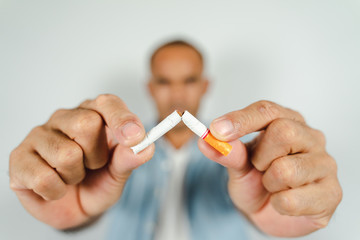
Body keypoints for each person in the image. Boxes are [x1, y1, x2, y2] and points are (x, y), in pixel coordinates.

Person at [9, 40, 342, 240]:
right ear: (150, 87)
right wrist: (69, 197)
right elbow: (83, 208)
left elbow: (270, 201)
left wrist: (294, 196)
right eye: (165, 81)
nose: (178, 93)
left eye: (190, 80)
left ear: (206, 85)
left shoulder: (244, 154)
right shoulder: (115, 147)